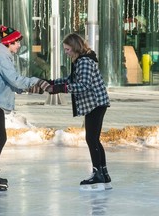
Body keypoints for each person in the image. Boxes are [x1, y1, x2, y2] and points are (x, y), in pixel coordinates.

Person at [0, 25, 51, 191]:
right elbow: (16, 80)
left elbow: (11, 83)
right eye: (17, 42)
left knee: (0, 138)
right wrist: (36, 81)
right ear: (8, 42)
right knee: (0, 139)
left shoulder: (2, 56)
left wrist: (30, 88)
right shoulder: (1, 58)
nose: (19, 45)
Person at [48, 33, 112, 191]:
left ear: (75, 47)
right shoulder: (81, 61)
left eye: (68, 49)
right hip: (96, 103)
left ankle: (98, 173)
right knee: (94, 139)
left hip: (95, 103)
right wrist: (51, 83)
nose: (66, 52)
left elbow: (83, 85)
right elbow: (70, 80)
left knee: (91, 139)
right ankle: (103, 173)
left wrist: (62, 89)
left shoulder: (84, 61)